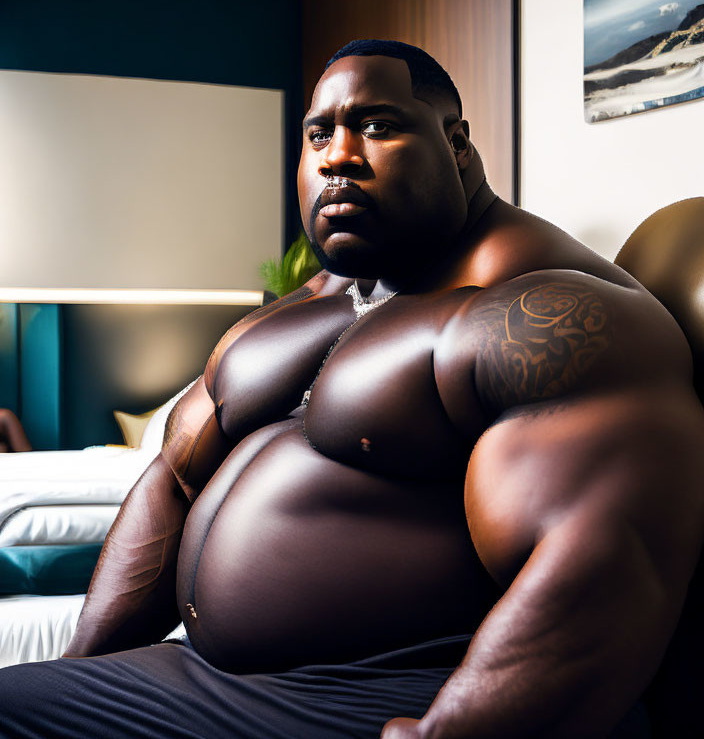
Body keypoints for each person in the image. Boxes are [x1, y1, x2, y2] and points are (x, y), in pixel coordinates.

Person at [0, 39, 702, 739]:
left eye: (377, 126)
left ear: (456, 144)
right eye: (318, 134)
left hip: (388, 695)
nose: (337, 155)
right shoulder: (317, 299)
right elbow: (174, 481)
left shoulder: (544, 314)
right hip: (206, 677)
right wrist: (81, 672)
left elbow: (608, 566)